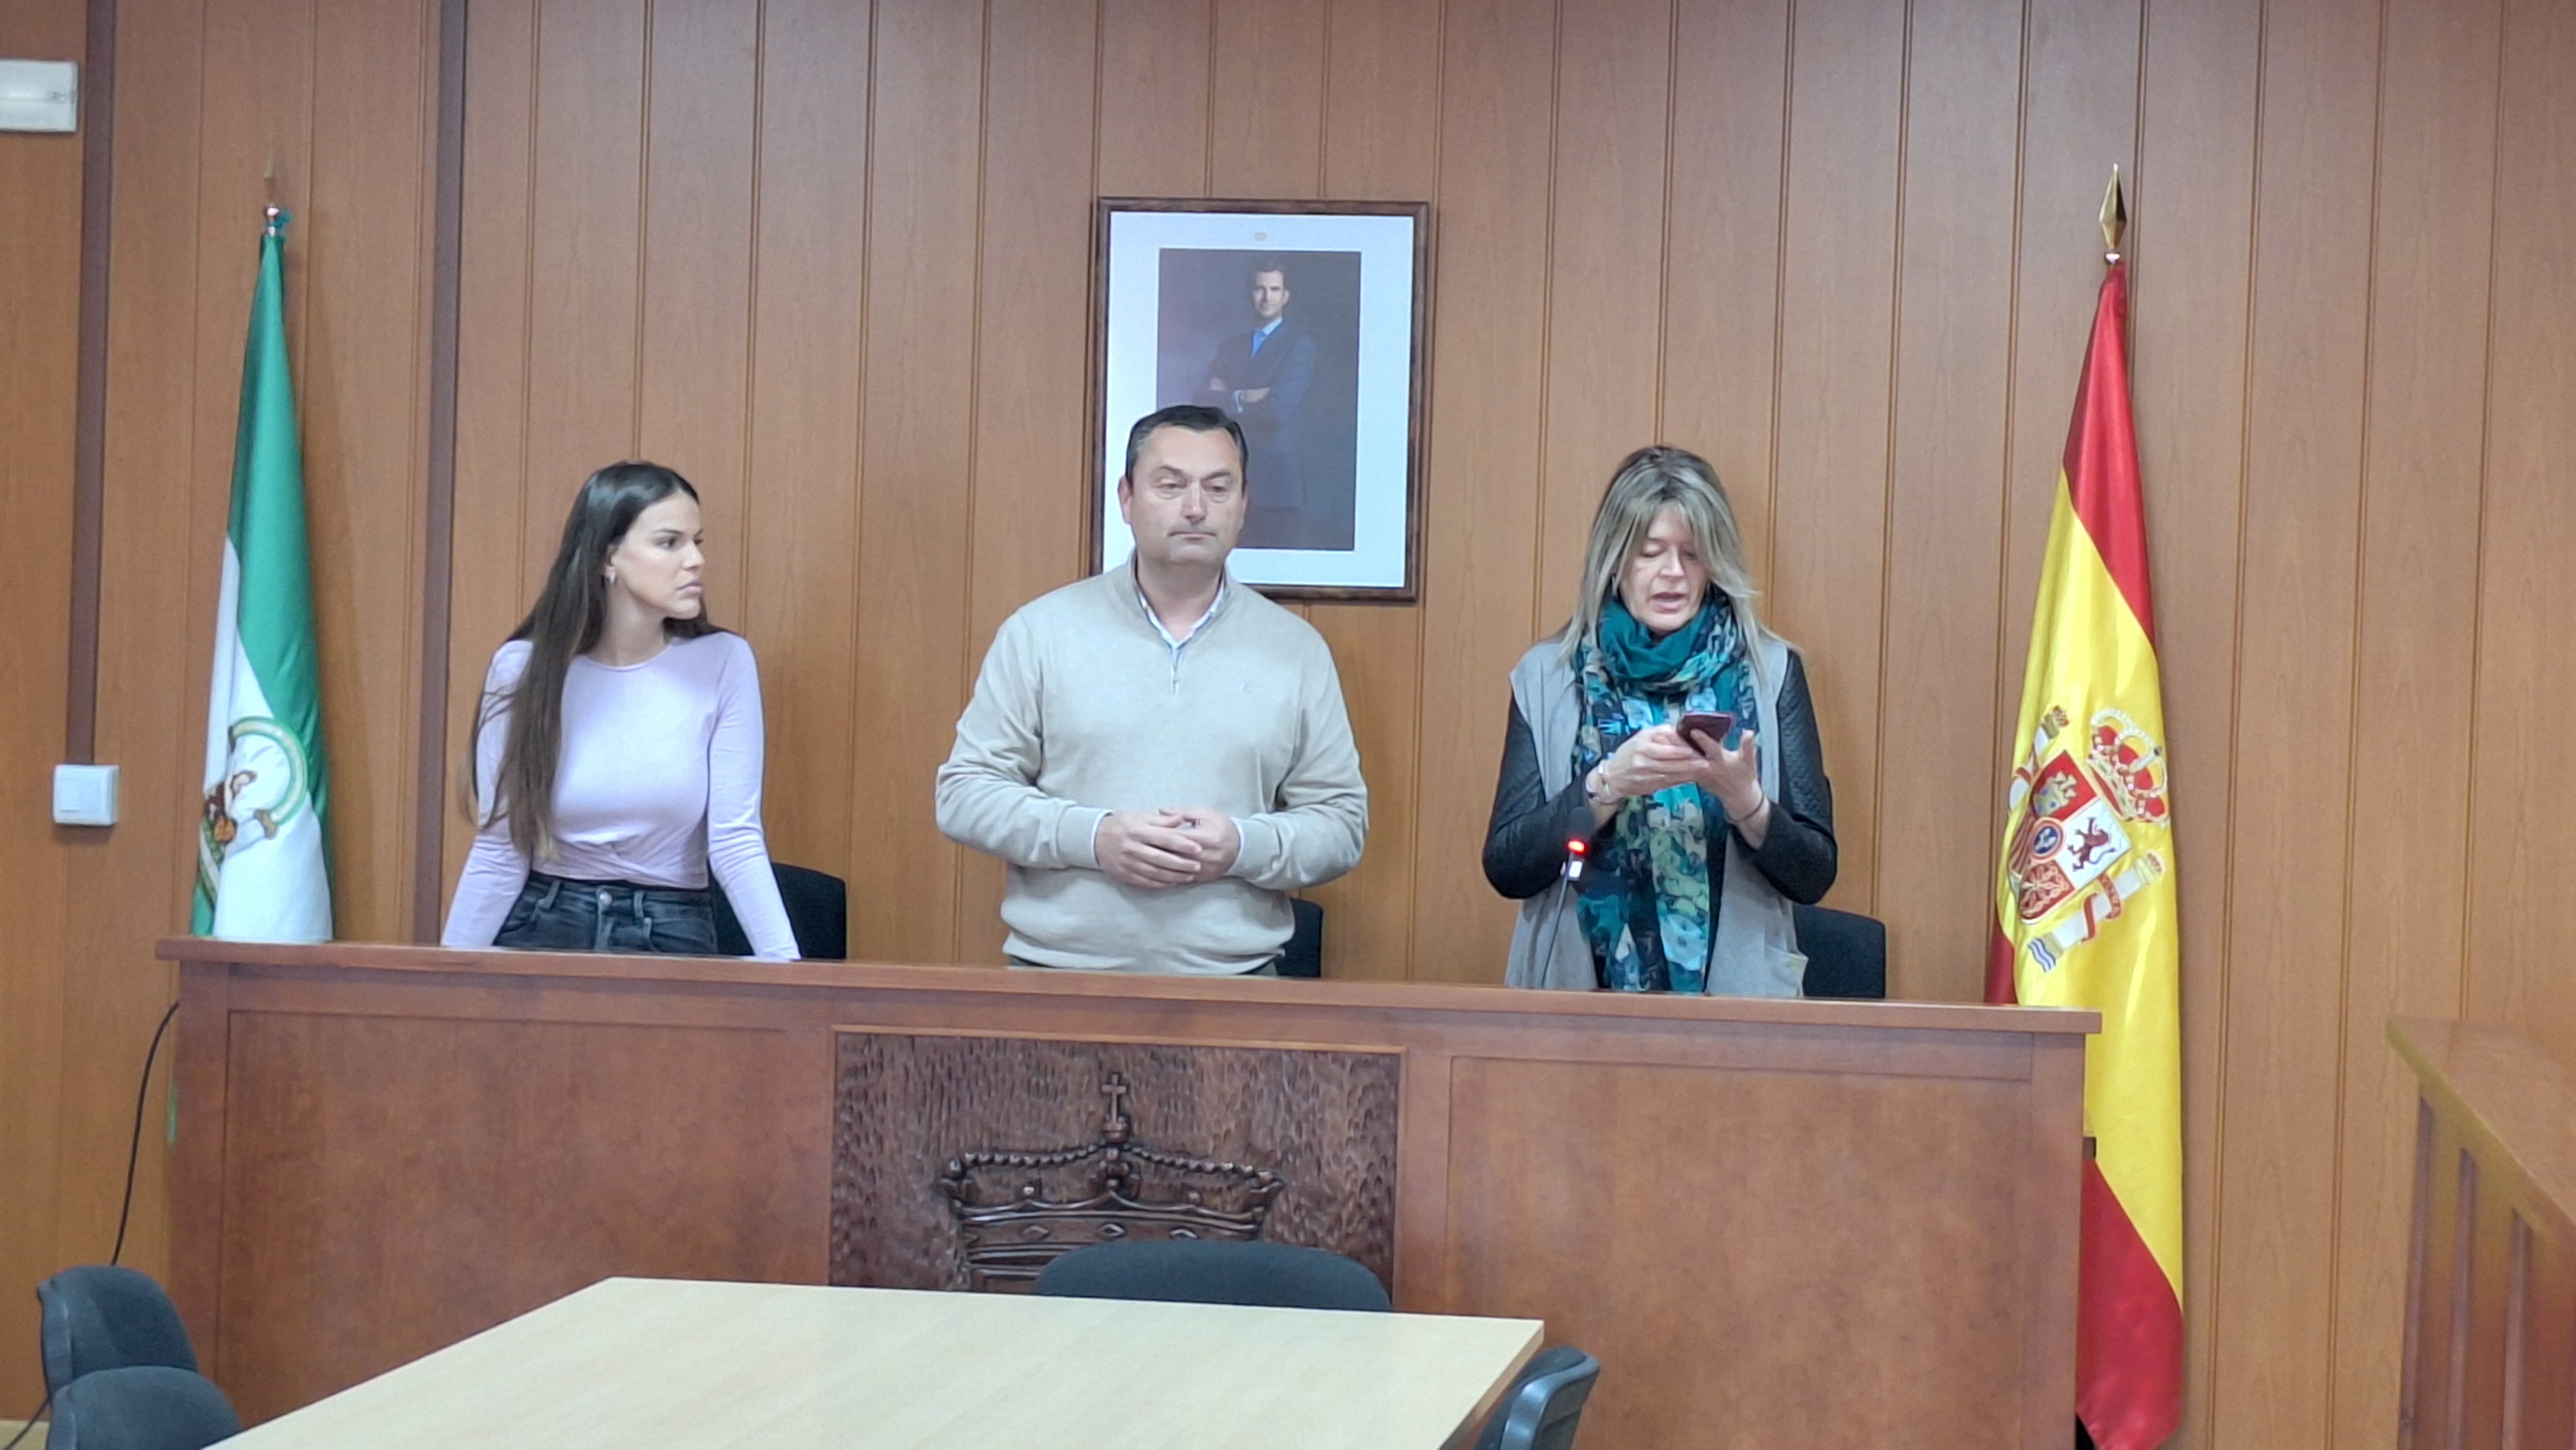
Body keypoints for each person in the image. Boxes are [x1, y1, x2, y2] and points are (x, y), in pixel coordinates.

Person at [936, 404, 1367, 975]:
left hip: (1237, 985)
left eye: (1218, 488)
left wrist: (1242, 846)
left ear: (1243, 505)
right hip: (1056, 981)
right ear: (1127, 498)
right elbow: (965, 794)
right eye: (1171, 485)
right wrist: (1094, 837)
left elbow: (1341, 824)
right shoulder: (1041, 632)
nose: (1196, 508)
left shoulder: (1296, 650)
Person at [1482, 445, 1835, 995]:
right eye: (1650, 553)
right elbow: (1509, 868)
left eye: (1693, 554)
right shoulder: (1547, 676)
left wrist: (1746, 801)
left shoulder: (1770, 671)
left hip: (1736, 1010)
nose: (1673, 574)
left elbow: (1814, 876)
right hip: (1576, 1003)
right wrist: (1606, 786)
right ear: (1614, 561)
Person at [443, 462, 799, 961]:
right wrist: (446, 976)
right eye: (670, 543)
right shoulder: (523, 668)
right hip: (544, 921)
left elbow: (735, 841)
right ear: (608, 557)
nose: (695, 560)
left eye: (697, 542)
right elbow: (501, 847)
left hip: (670, 924)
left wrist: (788, 970)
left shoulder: (724, 661)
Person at [1198, 258, 1316, 512]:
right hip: (1231, 468)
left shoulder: (1299, 347)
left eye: (1274, 289)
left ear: (1285, 296)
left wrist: (1228, 397)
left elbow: (1277, 409)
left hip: (1276, 478)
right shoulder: (1231, 347)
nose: (1267, 297)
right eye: (1260, 289)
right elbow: (1202, 401)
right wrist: (1245, 397)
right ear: (1250, 294)